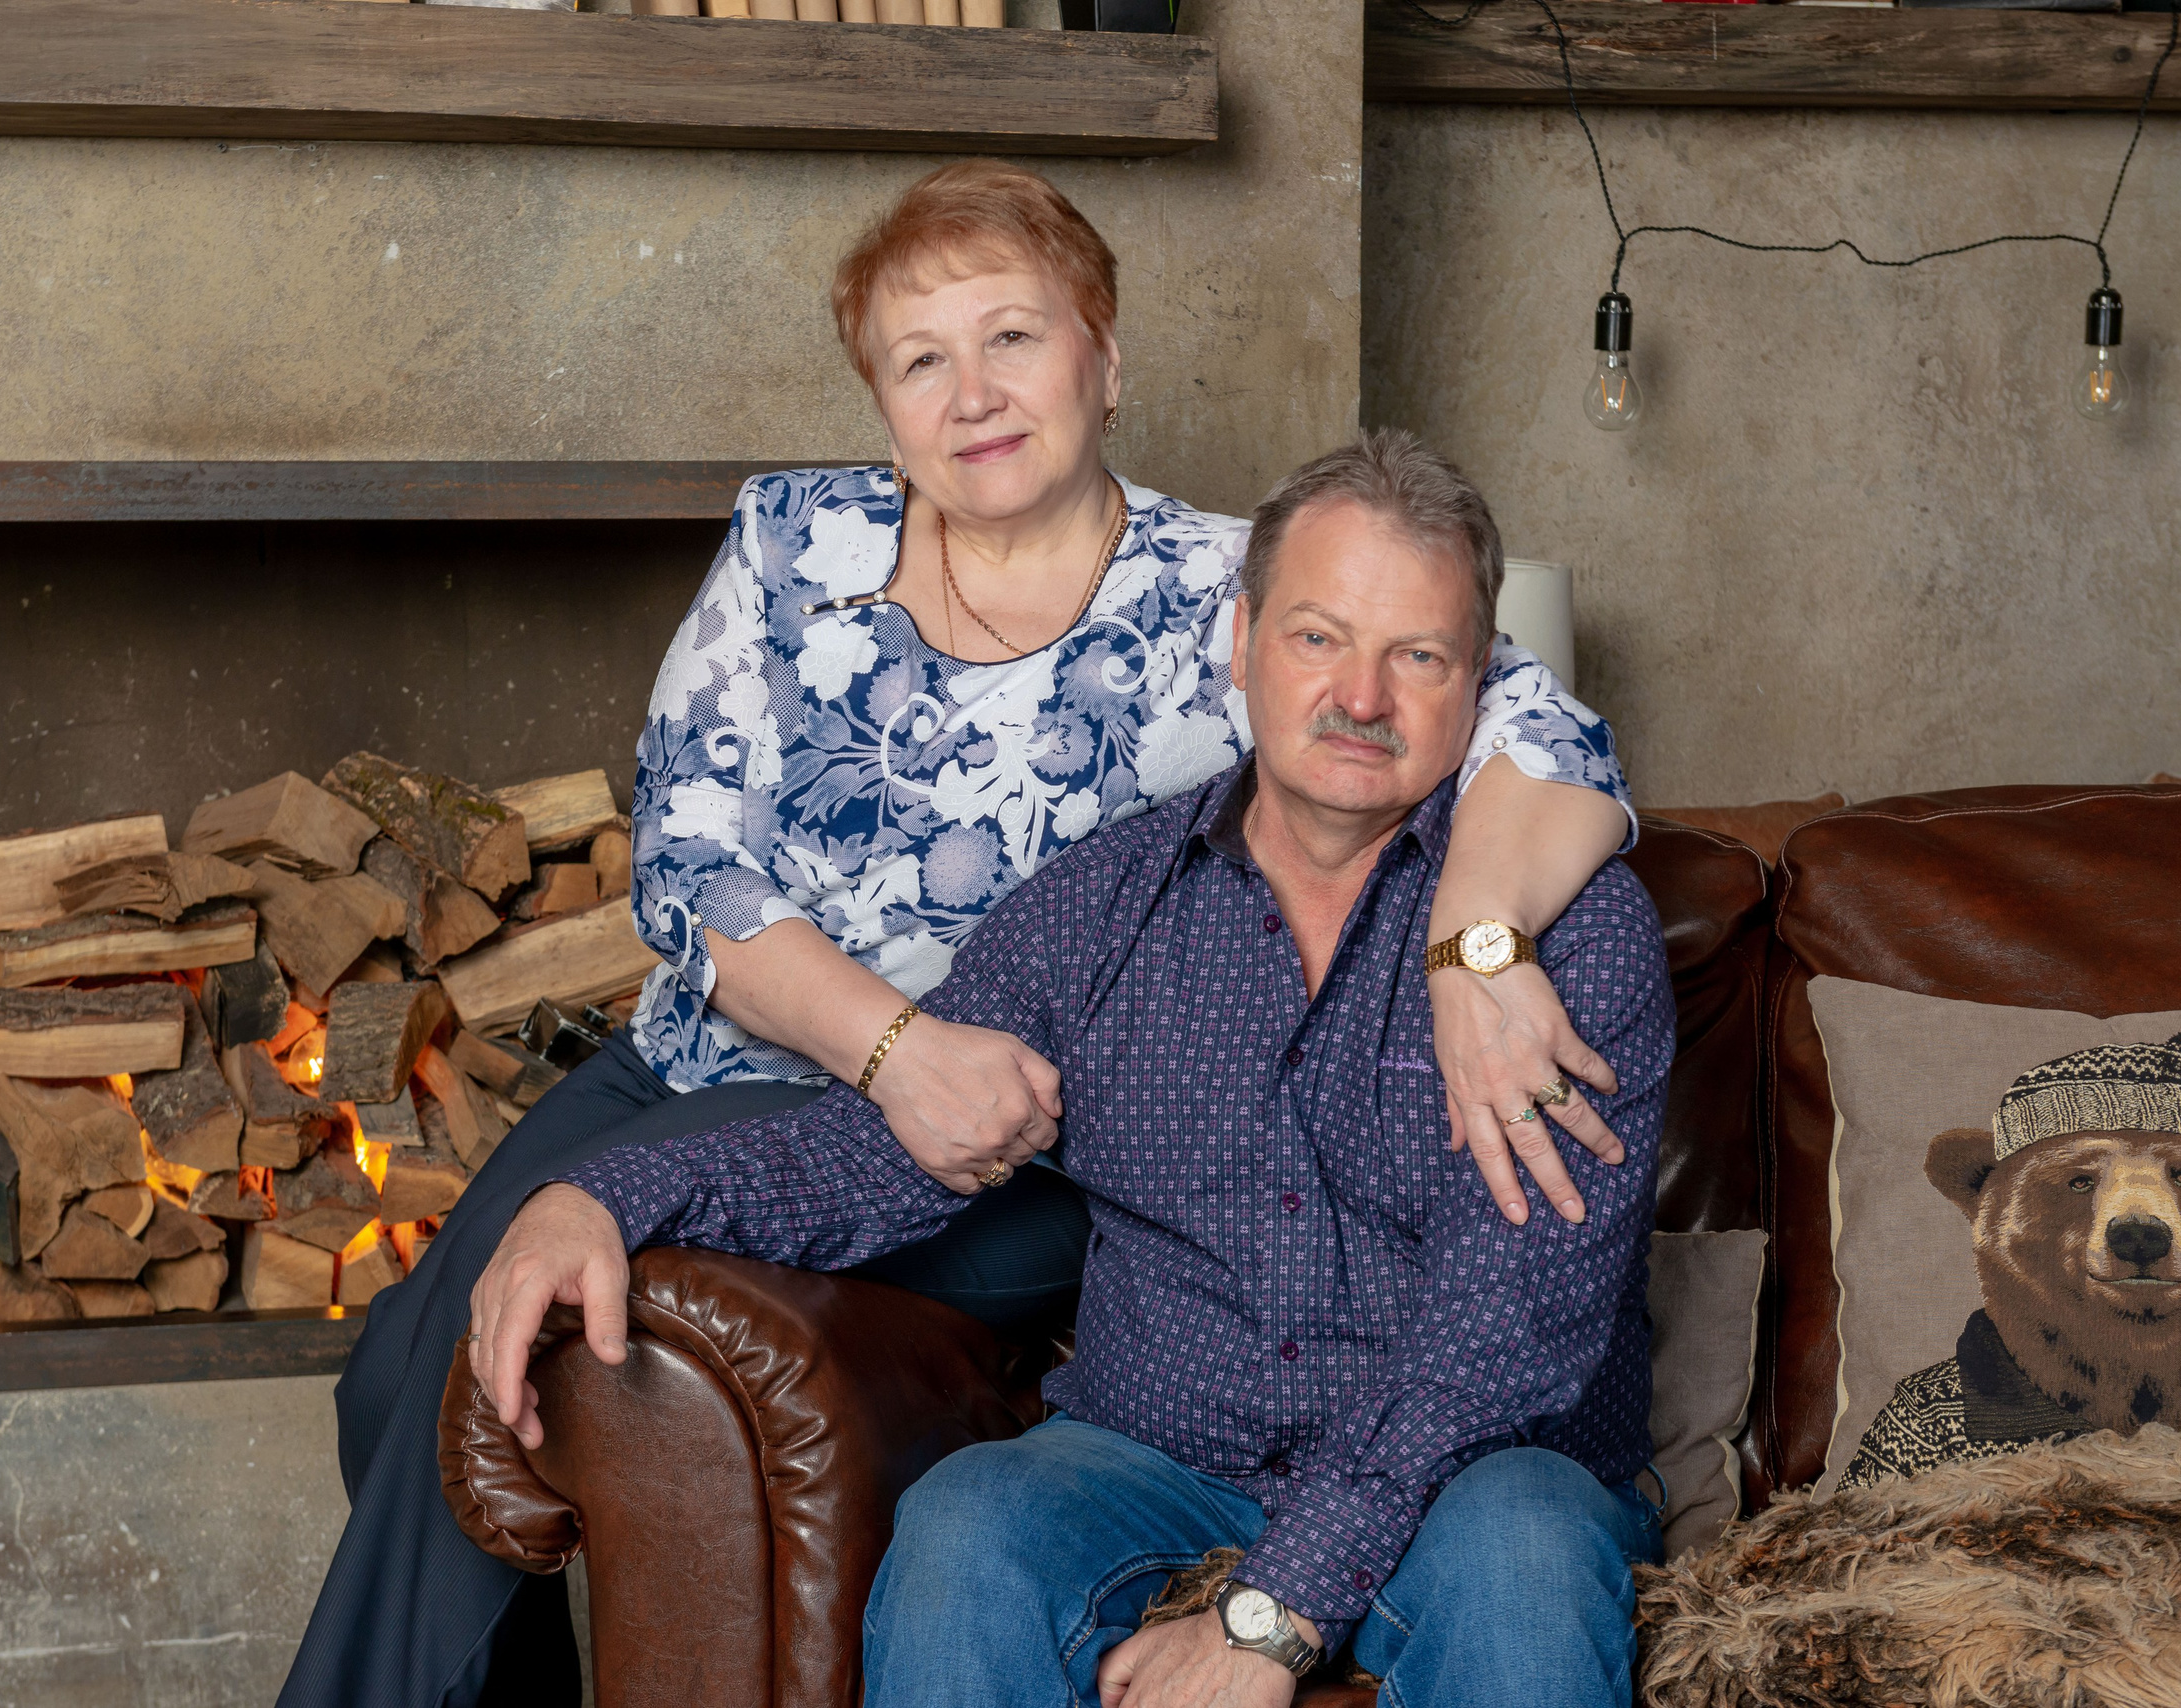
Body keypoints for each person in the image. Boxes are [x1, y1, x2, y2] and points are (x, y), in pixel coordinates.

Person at [278, 164, 1640, 1708]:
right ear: (881, 398)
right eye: (923, 358)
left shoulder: (1240, 588)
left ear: (1106, 360)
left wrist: (1477, 942)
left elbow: (1524, 724)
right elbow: (691, 854)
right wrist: (878, 1053)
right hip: (736, 1059)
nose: (973, 394)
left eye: (1014, 338)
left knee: (518, 1352)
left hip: (998, 1122)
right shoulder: (799, 540)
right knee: (406, 1369)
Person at [476, 431, 1676, 1708]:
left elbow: (1501, 1341)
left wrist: (1267, 1616)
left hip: (1471, 1477)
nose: (1360, 697)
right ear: (1241, 642)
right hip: (1157, 1462)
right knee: (967, 1529)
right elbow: (871, 1153)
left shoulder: (1564, 942)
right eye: (1317, 637)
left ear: (1479, 679)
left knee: (1525, 1556)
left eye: (1417, 656)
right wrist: (599, 1197)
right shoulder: (1097, 911)